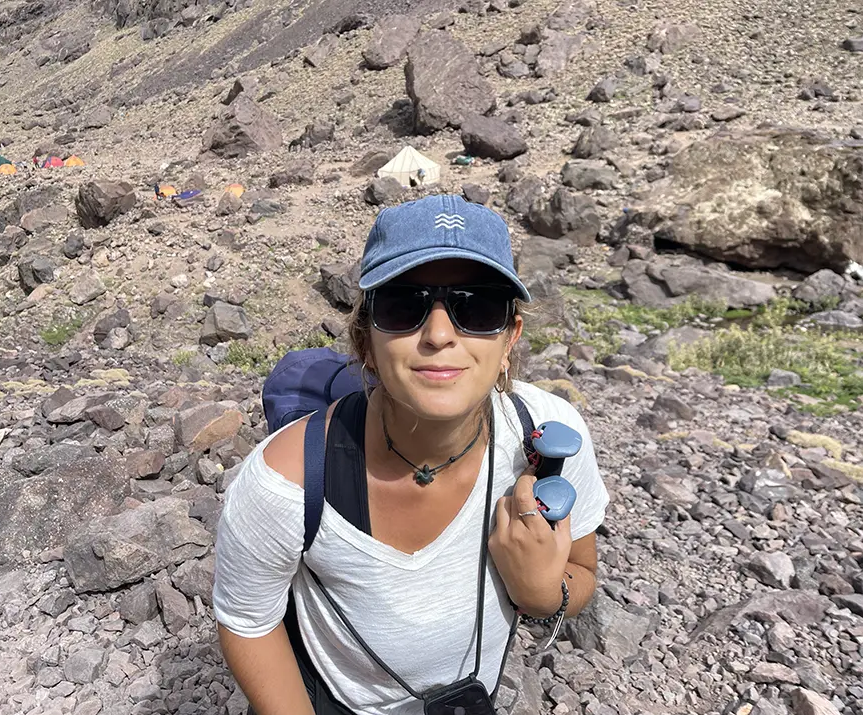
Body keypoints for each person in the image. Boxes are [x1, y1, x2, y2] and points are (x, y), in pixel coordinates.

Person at [213, 194, 610, 715]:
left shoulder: (550, 436)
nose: (440, 334)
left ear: (510, 336)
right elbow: (247, 622)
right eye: (404, 304)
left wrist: (541, 593)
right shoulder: (281, 485)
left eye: (478, 306)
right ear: (366, 340)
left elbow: (582, 568)